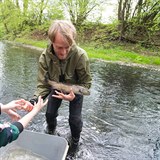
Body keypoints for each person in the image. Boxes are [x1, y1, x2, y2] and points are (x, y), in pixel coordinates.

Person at [29, 20, 92, 150]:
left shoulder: (80, 56)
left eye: (67, 47)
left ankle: (75, 142)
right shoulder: (44, 57)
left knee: (75, 120)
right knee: (50, 114)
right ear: (52, 42)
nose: (63, 52)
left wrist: (73, 95)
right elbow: (43, 83)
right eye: (59, 47)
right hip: (56, 88)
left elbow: (86, 84)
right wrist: (35, 99)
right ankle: (51, 132)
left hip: (75, 90)